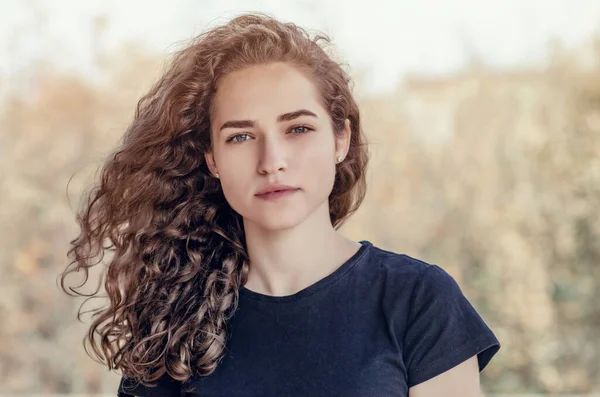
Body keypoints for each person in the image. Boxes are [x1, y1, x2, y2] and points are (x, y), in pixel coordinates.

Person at [60, 12, 500, 397]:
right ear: (212, 159)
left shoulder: (419, 300)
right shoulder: (171, 320)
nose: (272, 162)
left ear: (340, 139)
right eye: (241, 137)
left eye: (298, 129)